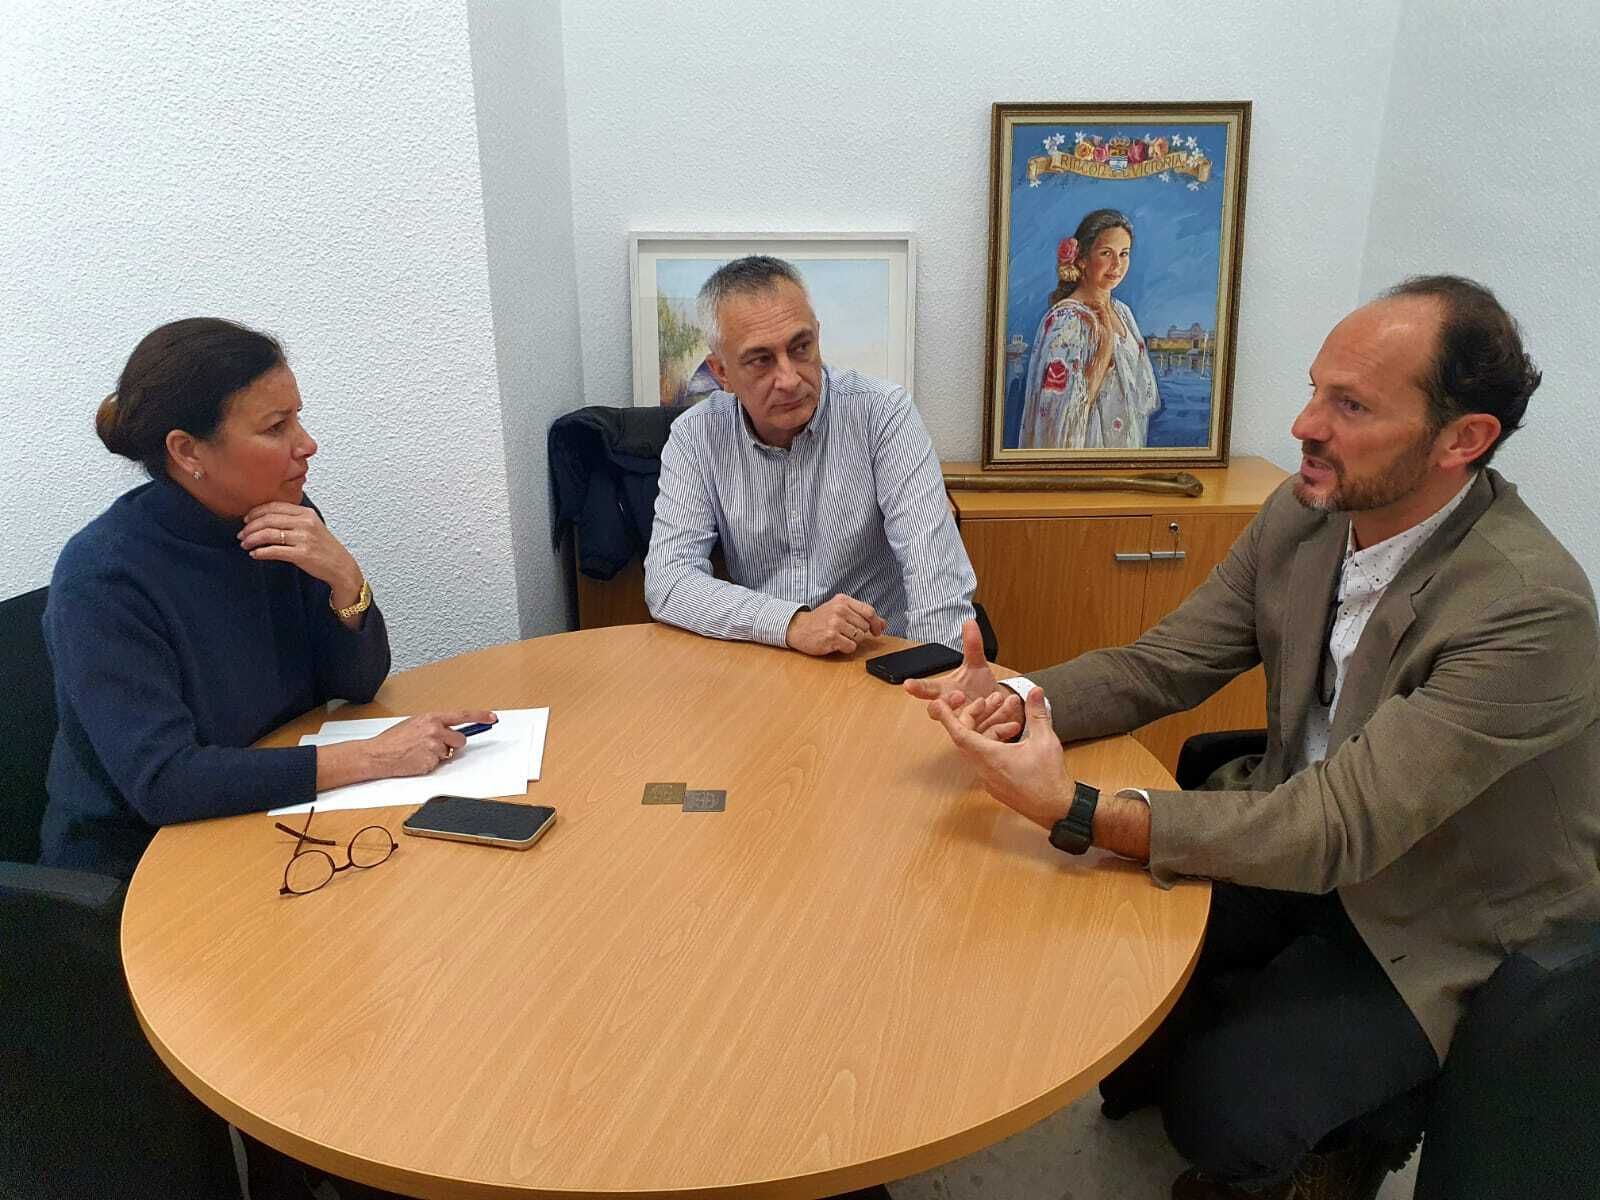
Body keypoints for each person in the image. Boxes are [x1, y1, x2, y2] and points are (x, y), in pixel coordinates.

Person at [910, 277, 1600, 1199]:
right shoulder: (1309, 511)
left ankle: (1363, 1138)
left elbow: (1336, 828)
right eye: (1317, 389)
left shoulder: (1529, 607)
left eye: (1349, 405)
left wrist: (1072, 806)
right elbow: (1168, 661)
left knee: (1216, 1107)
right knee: (1096, 961)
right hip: (1293, 829)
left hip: (1438, 904)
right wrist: (1019, 698)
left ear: (1463, 440)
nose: (1304, 424)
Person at [40, 317, 493, 882]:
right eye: (277, 426)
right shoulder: (103, 577)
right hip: (143, 870)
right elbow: (165, 783)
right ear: (186, 451)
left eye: (298, 417)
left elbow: (354, 685)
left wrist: (345, 581)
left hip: (279, 817)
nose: (307, 444)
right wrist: (375, 757)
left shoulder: (283, 521)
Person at [644, 255, 976, 655]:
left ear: (817, 336)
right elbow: (668, 580)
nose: (788, 379)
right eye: (760, 360)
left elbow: (935, 580)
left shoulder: (882, 413)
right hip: (769, 657)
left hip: (877, 657)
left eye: (801, 348)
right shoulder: (695, 436)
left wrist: (933, 683)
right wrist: (791, 624)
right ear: (722, 373)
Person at [1017, 208, 1162, 450]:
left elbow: (1144, 398)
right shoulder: (1067, 319)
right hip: (1087, 450)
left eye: (1124, 254)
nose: (1117, 264)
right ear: (1082, 259)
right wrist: (1105, 346)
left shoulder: (1123, 313)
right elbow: (1059, 415)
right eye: (1107, 253)